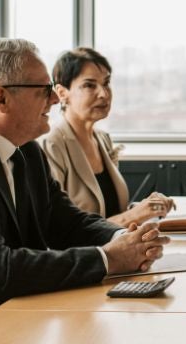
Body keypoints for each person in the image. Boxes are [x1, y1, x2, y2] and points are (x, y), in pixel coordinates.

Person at [0, 38, 169, 330]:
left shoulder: (27, 151)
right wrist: (107, 259)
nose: (55, 99)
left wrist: (129, 238)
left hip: (24, 324)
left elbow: (66, 224)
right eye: (43, 90)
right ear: (1, 99)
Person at [42, 48, 173, 227]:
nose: (103, 93)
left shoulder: (102, 139)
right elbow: (57, 230)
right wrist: (133, 216)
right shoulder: (51, 144)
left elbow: (111, 213)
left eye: (106, 83)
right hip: (85, 254)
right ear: (62, 93)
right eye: (89, 85)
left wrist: (144, 209)